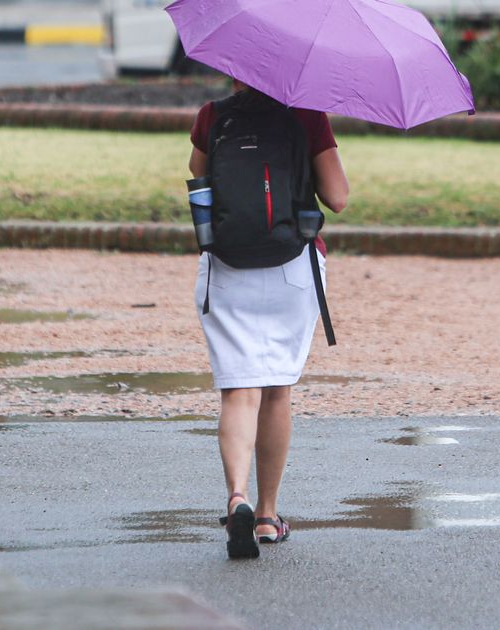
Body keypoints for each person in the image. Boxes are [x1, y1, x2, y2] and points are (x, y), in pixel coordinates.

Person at [189, 78, 349, 559]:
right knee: (277, 389)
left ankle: (235, 495)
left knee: (239, 390)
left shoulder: (212, 115)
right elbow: (338, 198)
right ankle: (265, 516)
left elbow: (199, 182)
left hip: (226, 267)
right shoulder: (307, 116)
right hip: (292, 267)